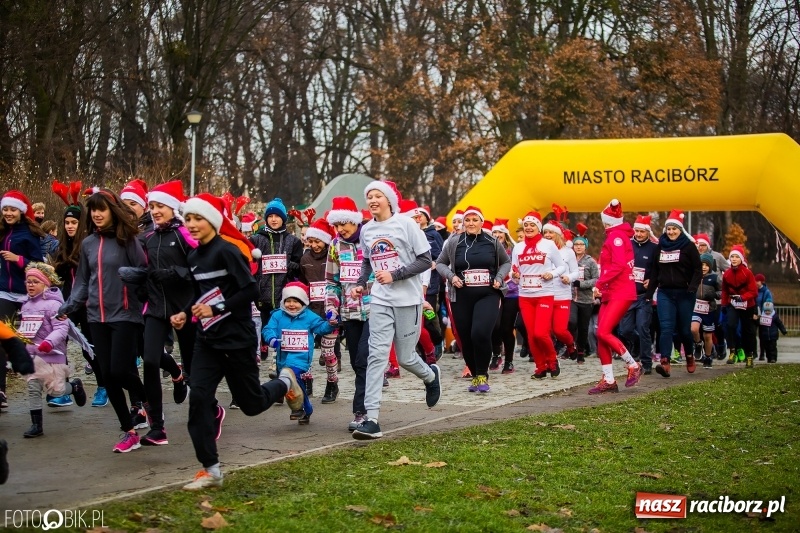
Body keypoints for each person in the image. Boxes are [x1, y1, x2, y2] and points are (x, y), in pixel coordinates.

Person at [172, 193, 304, 490]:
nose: (191, 224)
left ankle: (286, 381)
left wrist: (216, 308)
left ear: (213, 221)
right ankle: (211, 469)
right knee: (200, 399)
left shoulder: (228, 251)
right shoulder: (193, 256)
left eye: (198, 218)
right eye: (188, 219)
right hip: (207, 340)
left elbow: (249, 292)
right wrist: (184, 312)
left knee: (251, 404)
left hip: (237, 339)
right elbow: (199, 293)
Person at [57, 187, 149, 453]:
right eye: (93, 210)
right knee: (107, 376)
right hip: (96, 317)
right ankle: (128, 432)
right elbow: (83, 282)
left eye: (102, 209)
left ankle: (148, 403)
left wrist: (128, 274)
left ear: (113, 211)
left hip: (125, 315)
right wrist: (69, 305)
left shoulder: (128, 240)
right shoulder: (87, 244)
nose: (96, 214)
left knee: (121, 370)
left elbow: (143, 272)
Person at [350, 180, 441, 440]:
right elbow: (368, 260)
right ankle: (371, 419)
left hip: (407, 300)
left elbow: (426, 260)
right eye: (369, 197)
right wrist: (360, 284)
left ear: (389, 200)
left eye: (378, 195)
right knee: (376, 357)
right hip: (380, 300)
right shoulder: (366, 229)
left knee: (405, 357)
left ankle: (430, 376)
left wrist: (395, 275)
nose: (373, 200)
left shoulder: (407, 224)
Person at [132, 181, 195, 446]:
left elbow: (199, 269)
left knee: (194, 367)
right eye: (152, 206)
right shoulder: (146, 238)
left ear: (173, 208)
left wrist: (175, 274)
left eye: (160, 206)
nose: (155, 211)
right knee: (149, 360)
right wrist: (136, 281)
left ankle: (208, 408)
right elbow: (143, 271)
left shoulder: (185, 235)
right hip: (156, 309)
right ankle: (157, 427)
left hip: (186, 309)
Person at [437, 207, 510, 392]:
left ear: (481, 222)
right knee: (466, 338)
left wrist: (499, 278)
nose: (470, 223)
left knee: (480, 333)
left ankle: (482, 375)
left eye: (474, 220)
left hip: (488, 294)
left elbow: (506, 262)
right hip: (461, 295)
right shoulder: (454, 242)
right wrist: (452, 277)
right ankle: (475, 374)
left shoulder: (492, 242)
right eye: (467, 220)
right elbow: (440, 263)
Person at [20, 263, 87, 437]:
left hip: (53, 354)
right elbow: (25, 330)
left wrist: (49, 343)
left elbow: (61, 328)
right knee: (33, 387)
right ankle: (37, 425)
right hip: (33, 355)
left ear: (45, 284)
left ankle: (74, 387)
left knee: (56, 390)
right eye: (28, 281)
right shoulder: (25, 305)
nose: (31, 285)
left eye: (35, 281)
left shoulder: (54, 305)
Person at [325, 197, 375, 430]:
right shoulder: (336, 246)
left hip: (377, 309)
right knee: (357, 362)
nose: (340, 229)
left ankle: (361, 412)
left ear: (355, 221)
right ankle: (368, 403)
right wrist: (331, 306)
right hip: (351, 312)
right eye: (336, 225)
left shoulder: (373, 240)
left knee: (364, 359)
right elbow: (331, 281)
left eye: (344, 223)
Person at [586, 200, 642, 394]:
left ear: (607, 221)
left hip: (621, 291)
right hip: (612, 291)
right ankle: (609, 379)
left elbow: (618, 265)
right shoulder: (614, 236)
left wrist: (599, 283)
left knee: (603, 333)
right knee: (601, 335)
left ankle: (632, 364)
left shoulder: (616, 237)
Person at [263, 282, 334, 423]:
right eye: (288, 301)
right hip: (282, 357)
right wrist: (272, 339)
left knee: (290, 375)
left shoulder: (309, 316)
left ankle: (297, 409)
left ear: (303, 302)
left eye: (295, 301)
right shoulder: (277, 315)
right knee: (296, 382)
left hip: (300, 357)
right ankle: (307, 409)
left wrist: (330, 323)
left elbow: (321, 327)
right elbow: (268, 329)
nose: (291, 304)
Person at [0, 190, 45, 407]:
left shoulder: (29, 234)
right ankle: (1, 390)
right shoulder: (2, 232)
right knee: (2, 340)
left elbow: (39, 266)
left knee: (32, 343)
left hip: (27, 295)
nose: (8, 213)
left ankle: (59, 385)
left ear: (21, 211)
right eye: (5, 209)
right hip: (4, 293)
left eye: (12, 209)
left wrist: (18, 259)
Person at [645, 209, 703, 377]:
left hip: (685, 293)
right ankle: (665, 362)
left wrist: (692, 287)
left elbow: (698, 270)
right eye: (668, 229)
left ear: (680, 230)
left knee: (684, 330)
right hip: (665, 293)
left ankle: (690, 357)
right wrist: (649, 293)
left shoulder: (688, 247)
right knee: (666, 327)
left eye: (674, 229)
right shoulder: (660, 246)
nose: (671, 232)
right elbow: (655, 272)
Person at [511, 210, 566, 379]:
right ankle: (540, 367)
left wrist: (552, 274)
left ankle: (552, 360)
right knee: (531, 335)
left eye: (532, 224)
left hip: (544, 294)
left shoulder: (548, 245)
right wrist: (515, 276)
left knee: (540, 333)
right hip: (525, 296)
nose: (528, 227)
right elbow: (514, 270)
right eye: (526, 225)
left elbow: (562, 267)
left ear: (539, 227)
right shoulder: (518, 247)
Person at [250, 197, 304, 354]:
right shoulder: (256, 239)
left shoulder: (293, 241)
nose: (274, 219)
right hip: (263, 294)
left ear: (283, 218)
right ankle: (266, 347)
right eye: (270, 216)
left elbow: (299, 266)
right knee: (267, 326)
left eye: (277, 216)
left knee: (283, 327)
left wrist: (286, 264)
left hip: (285, 294)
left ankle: (278, 359)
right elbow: (249, 263)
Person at [299, 218, 337, 401]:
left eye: (317, 241)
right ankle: (307, 382)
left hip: (330, 312)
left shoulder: (332, 257)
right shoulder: (305, 259)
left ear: (326, 240)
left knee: (328, 352)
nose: (314, 245)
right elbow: (301, 282)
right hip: (310, 311)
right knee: (306, 349)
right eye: (311, 241)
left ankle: (332, 383)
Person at [619, 214, 658, 373]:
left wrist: (652, 280)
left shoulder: (655, 248)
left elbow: (658, 270)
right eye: (637, 231)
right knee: (625, 330)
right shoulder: (627, 245)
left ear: (648, 232)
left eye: (642, 231)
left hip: (644, 296)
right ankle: (635, 344)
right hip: (627, 295)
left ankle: (647, 363)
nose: (639, 234)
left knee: (643, 328)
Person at [541, 219, 579, 361]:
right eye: (545, 232)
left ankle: (570, 345)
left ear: (558, 234)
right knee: (546, 330)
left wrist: (568, 278)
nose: (548, 235)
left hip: (562, 295)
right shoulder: (541, 250)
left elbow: (575, 272)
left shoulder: (568, 252)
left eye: (551, 232)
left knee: (559, 330)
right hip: (544, 295)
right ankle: (551, 358)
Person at [721, 245, 758, 368]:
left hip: (747, 304)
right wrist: (724, 303)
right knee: (730, 325)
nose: (734, 259)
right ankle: (732, 351)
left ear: (741, 259)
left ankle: (749, 356)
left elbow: (754, 291)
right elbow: (725, 290)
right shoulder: (726, 274)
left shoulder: (747, 273)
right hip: (733, 304)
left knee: (748, 331)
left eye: (737, 257)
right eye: (732, 257)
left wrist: (743, 297)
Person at [568, 225, 599, 364]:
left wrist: (582, 284)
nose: (578, 247)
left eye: (581, 244)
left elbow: (596, 279)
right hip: (571, 298)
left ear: (585, 246)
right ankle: (570, 345)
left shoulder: (590, 261)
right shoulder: (569, 259)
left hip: (585, 299)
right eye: (576, 244)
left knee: (583, 327)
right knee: (571, 322)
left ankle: (581, 351)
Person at [491, 219, 518, 373]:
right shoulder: (488, 249)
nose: (497, 235)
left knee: (506, 328)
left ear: (505, 234)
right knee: (494, 326)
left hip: (511, 293)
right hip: (494, 292)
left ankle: (509, 360)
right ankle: (496, 354)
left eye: (500, 232)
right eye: (494, 232)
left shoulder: (514, 250)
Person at [691, 253, 721, 368]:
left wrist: (714, 294)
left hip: (709, 309)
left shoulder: (714, 278)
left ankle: (708, 357)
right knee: (693, 329)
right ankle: (698, 344)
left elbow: (722, 291)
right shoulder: (694, 275)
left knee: (708, 336)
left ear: (710, 266)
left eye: (706, 265)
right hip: (696, 307)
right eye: (701, 264)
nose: (703, 267)